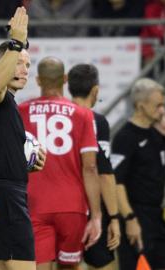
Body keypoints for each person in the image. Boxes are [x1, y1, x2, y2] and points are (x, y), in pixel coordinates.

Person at [0, 7, 45, 270]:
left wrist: (24, 160)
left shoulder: (6, 105)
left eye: (27, 64)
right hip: (5, 197)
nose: (24, 69)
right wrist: (16, 42)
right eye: (17, 62)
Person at [18, 57, 102, 270]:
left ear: (38, 80)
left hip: (34, 203)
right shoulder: (83, 115)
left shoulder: (21, 112)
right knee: (69, 267)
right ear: (65, 79)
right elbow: (90, 168)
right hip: (72, 206)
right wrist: (97, 216)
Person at [111, 78, 165, 270]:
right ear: (141, 106)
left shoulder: (158, 134)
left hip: (157, 216)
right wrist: (129, 219)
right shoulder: (125, 137)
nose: (162, 110)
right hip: (135, 216)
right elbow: (117, 183)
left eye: (163, 105)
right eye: (158, 105)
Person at [67, 63, 121, 270]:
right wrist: (114, 217)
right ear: (95, 90)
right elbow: (104, 173)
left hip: (62, 207)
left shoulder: (57, 116)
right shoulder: (96, 121)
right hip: (92, 207)